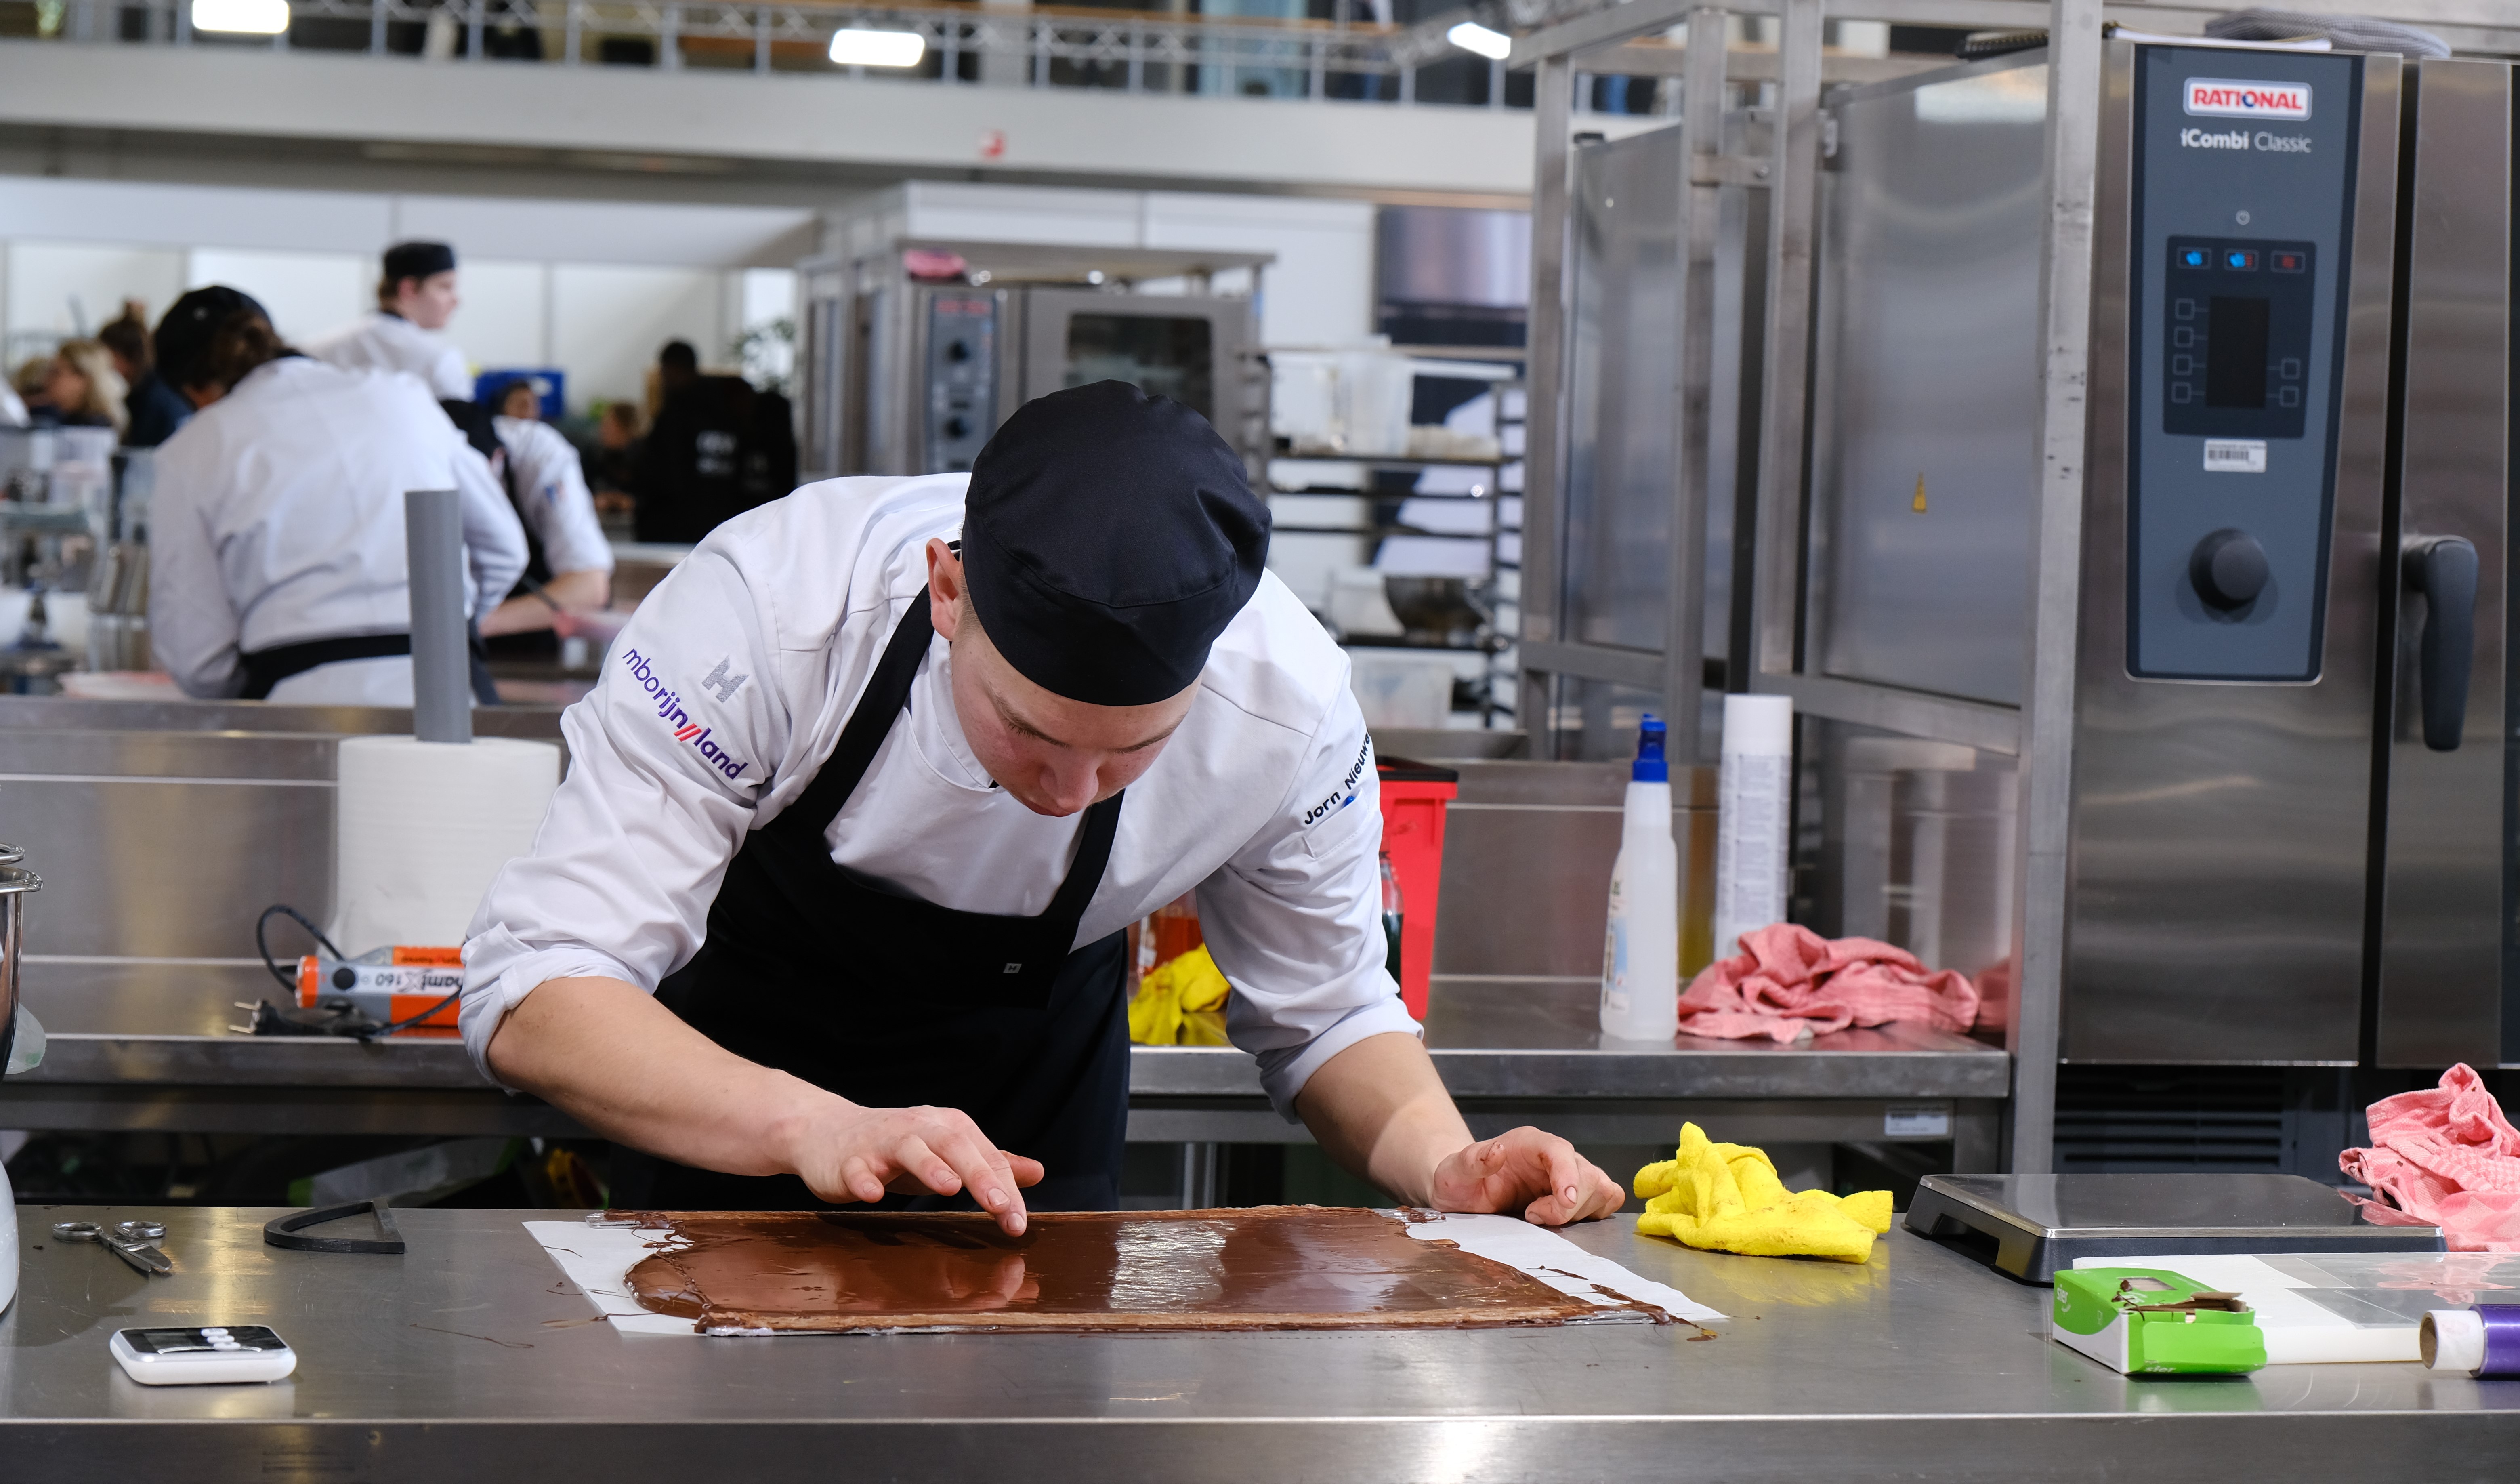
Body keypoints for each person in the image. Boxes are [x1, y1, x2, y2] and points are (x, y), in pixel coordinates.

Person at [464, 381, 1625, 1229]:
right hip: (734, 1144)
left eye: (1134, 751)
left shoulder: (1291, 701)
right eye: (1028, 728)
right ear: (949, 591)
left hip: (1036, 1159)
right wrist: (814, 1126)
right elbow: (540, 989)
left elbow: (1327, 1014)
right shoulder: (771, 612)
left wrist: (1444, 1162)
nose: (1067, 791)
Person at [147, 287, 528, 705]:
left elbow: (197, 656)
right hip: (451, 691)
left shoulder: (193, 448)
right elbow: (504, 548)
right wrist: (453, 622)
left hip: (297, 704)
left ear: (194, 390)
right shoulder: (402, 396)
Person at [474, 393, 616, 651]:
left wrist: (469, 626)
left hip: (534, 652)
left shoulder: (538, 455)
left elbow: (590, 588)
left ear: (496, 458)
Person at [631, 342, 798, 545]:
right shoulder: (730, 413)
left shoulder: (675, 416)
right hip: (726, 532)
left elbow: (662, 477)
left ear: (668, 369)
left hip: (678, 532)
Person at [305, 241, 474, 401]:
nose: (456, 300)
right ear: (408, 289)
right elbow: (463, 427)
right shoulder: (439, 358)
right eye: (445, 287)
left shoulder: (315, 348)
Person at [99, 302, 193, 448]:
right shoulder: (159, 389)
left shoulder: (148, 404)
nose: (101, 367)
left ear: (129, 358)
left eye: (105, 358)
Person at [40, 340, 129, 436]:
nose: (46, 380)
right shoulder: (63, 418)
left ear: (82, 377)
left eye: (56, 373)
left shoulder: (91, 431)